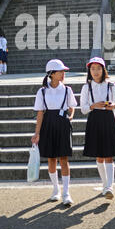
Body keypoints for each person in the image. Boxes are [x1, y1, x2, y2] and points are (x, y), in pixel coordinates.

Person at [31, 59, 77, 206]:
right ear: (51, 74)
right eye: (60, 71)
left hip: (63, 124)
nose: (63, 74)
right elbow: (40, 113)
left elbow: (72, 107)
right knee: (51, 159)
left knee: (64, 159)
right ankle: (56, 189)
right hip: (48, 124)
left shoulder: (67, 90)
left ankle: (66, 192)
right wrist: (36, 133)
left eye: (64, 71)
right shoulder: (42, 91)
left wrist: (70, 116)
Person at [80, 57, 115, 200]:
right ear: (89, 71)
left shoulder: (111, 85)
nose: (95, 71)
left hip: (108, 118)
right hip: (94, 119)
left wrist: (112, 106)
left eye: (98, 68)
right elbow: (83, 109)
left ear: (103, 69)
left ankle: (110, 186)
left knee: (109, 154)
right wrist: (93, 106)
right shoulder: (86, 87)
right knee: (99, 155)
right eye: (92, 68)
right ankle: (105, 184)